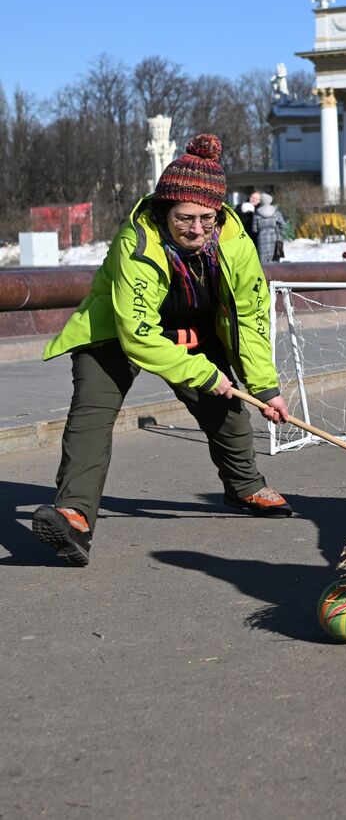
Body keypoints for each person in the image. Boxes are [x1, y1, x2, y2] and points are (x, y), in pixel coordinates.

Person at [32, 134, 294, 567]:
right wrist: (206, 374)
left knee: (227, 413)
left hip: (196, 327)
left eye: (207, 219)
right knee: (92, 414)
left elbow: (249, 317)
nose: (196, 230)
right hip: (116, 332)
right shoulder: (136, 243)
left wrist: (265, 388)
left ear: (220, 213)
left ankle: (244, 485)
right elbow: (137, 333)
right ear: (163, 208)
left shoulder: (236, 242)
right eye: (185, 218)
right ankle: (74, 516)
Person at [252, 192, 285, 265]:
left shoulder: (257, 213)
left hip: (261, 240)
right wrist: (279, 233)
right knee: (275, 261)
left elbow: (254, 229)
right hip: (274, 239)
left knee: (263, 264)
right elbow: (282, 225)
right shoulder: (275, 212)